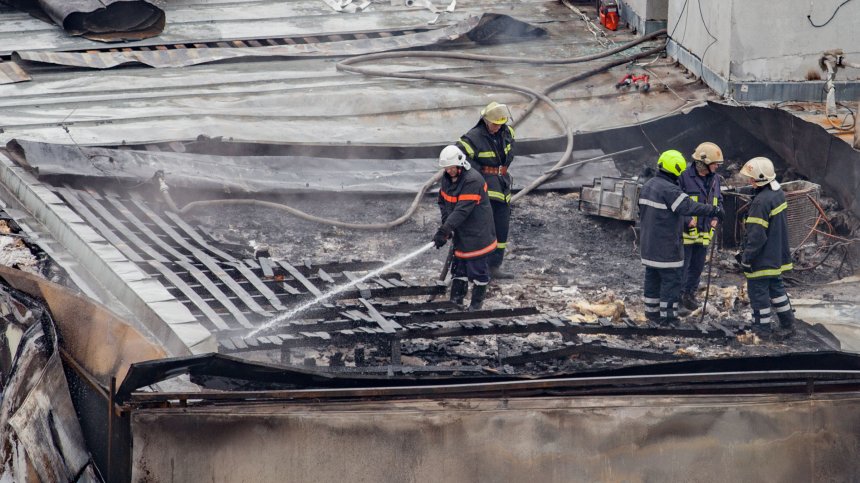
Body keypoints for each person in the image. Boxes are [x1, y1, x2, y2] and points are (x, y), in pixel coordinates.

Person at [638, 150, 724, 324]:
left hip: (649, 246)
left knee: (652, 279)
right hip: (667, 247)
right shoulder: (669, 189)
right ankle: (668, 318)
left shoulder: (649, 185)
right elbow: (688, 206)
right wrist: (713, 211)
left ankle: (651, 314)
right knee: (671, 281)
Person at [433, 145, 498, 311]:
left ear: (460, 164)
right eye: (446, 168)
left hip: (477, 233)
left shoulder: (472, 181)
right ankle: (456, 302)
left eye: (452, 168)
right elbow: (443, 202)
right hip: (461, 232)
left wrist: (445, 229)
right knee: (459, 268)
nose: (449, 171)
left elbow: (462, 210)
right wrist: (447, 225)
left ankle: (476, 306)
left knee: (478, 270)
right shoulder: (447, 179)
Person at [457, 101, 516, 279]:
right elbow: (460, 156)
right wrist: (478, 175)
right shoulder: (473, 137)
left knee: (501, 228)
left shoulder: (508, 133)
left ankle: (494, 267)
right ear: (486, 121)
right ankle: (478, 268)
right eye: (494, 124)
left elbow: (509, 154)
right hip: (485, 188)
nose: (497, 127)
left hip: (503, 186)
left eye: (500, 124)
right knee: (483, 229)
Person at [737, 156, 796, 336]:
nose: (749, 180)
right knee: (776, 289)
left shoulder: (761, 203)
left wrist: (747, 258)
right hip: (775, 255)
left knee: (758, 294)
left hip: (761, 259)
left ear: (760, 178)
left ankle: (761, 330)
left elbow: (756, 236)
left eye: (752, 177)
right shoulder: (776, 194)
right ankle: (788, 324)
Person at [678, 142, 725, 310]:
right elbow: (676, 203)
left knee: (697, 267)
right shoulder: (684, 177)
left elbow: (718, 201)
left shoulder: (716, 180)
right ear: (703, 162)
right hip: (687, 232)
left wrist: (716, 218)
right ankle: (678, 298)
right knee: (683, 266)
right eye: (714, 163)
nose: (717, 166)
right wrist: (686, 219)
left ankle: (689, 295)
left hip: (705, 232)